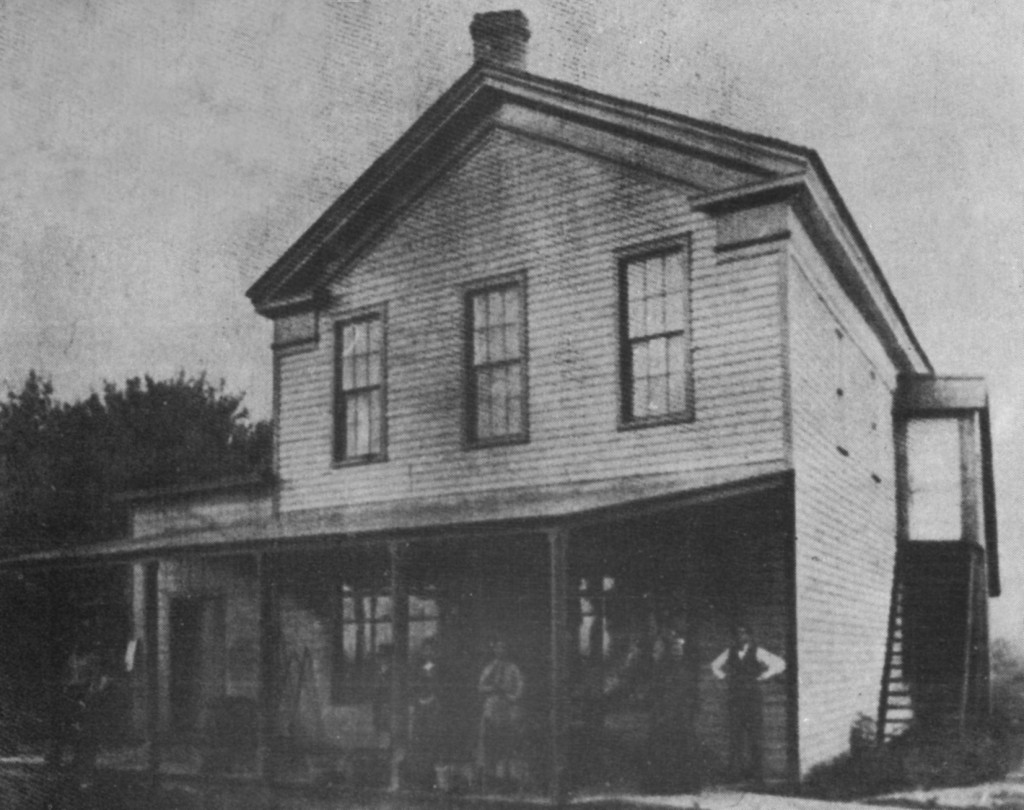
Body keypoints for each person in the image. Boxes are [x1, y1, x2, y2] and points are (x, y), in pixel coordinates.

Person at [710, 623, 786, 783]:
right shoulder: (729, 652)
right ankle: (734, 774)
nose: (740, 637)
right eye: (737, 634)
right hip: (735, 699)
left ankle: (757, 774)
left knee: (755, 736)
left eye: (743, 633)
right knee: (735, 736)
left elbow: (780, 664)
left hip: (752, 699)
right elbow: (714, 665)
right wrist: (723, 677)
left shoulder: (758, 651)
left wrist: (764, 676)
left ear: (749, 636)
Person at [645, 612, 701, 793]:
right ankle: (663, 785)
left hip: (682, 713)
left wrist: (692, 708)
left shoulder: (687, 671)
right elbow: (656, 691)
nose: (677, 652)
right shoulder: (662, 671)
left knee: (685, 747)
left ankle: (686, 785)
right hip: (665, 713)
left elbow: (693, 692)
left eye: (680, 650)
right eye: (674, 650)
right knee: (664, 748)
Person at [476, 638, 524, 792]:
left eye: (503, 647)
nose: (500, 650)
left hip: (508, 711)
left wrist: (508, 694)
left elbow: (520, 690)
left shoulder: (513, 669)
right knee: (491, 744)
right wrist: (493, 688)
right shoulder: (489, 668)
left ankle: (509, 779)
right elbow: (481, 686)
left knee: (508, 745)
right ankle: (492, 779)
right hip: (492, 710)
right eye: (497, 647)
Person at [407, 637, 443, 787]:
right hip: (419, 704)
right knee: (418, 739)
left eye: (431, 650)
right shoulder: (418, 667)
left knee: (431, 739)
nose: (428, 652)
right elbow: (413, 685)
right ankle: (418, 776)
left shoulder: (437, 667)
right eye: (426, 649)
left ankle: (431, 777)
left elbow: (438, 685)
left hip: (433, 704)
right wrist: (415, 701)